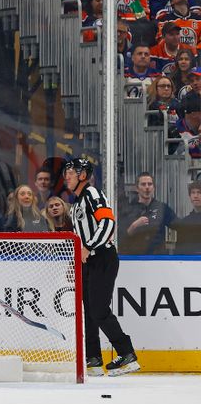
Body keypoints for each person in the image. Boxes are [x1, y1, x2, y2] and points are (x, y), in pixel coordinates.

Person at [63, 158, 139, 377]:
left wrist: (88, 246)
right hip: (89, 261)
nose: (67, 175)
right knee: (89, 311)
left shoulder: (93, 194)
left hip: (102, 257)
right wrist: (77, 257)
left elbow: (108, 223)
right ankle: (93, 358)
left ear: (83, 175)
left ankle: (127, 353)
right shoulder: (77, 202)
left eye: (71, 171)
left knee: (98, 309)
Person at [119, 172, 177, 255]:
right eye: (143, 184)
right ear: (137, 188)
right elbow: (120, 240)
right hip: (134, 260)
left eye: (150, 184)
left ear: (154, 188)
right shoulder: (128, 209)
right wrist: (134, 226)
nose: (147, 187)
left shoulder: (162, 208)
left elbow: (179, 226)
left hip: (159, 261)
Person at [173, 181, 201, 254]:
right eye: (193, 192)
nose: (196, 196)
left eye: (199, 192)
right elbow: (179, 251)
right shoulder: (184, 223)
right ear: (189, 196)